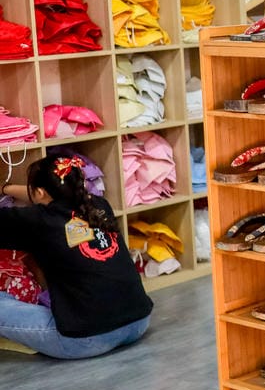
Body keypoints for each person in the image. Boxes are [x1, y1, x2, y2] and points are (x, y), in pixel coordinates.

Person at [0, 153, 152, 358]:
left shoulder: (38, 221)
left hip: (86, 339)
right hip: (138, 322)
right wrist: (5, 189)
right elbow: (42, 196)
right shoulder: (99, 205)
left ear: (40, 192)